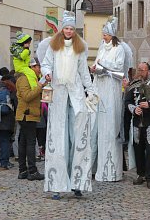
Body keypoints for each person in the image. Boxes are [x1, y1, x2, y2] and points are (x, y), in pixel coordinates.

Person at [41, 11, 97, 199]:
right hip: (58, 94)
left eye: (72, 29)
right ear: (62, 29)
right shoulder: (53, 46)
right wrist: (47, 73)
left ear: (75, 30)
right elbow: (46, 64)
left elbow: (83, 70)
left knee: (78, 137)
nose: (69, 31)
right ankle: (57, 183)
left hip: (76, 94)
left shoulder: (81, 47)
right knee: (58, 138)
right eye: (66, 28)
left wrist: (90, 90)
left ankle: (78, 182)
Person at [90, 16, 125, 182]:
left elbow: (119, 68)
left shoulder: (119, 49)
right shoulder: (101, 48)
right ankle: (94, 167)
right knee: (95, 128)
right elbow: (98, 63)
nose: (104, 37)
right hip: (99, 88)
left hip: (111, 89)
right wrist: (95, 68)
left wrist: (104, 68)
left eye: (106, 34)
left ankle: (111, 170)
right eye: (103, 34)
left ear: (112, 35)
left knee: (110, 128)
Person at [16, 57, 45, 180]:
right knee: (30, 142)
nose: (40, 70)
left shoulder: (32, 78)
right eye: (39, 67)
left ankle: (23, 171)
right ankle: (32, 171)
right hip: (26, 115)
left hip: (30, 115)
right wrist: (39, 87)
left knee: (23, 142)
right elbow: (27, 96)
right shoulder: (24, 78)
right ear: (32, 67)